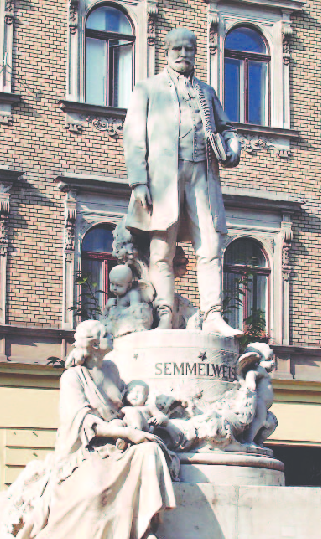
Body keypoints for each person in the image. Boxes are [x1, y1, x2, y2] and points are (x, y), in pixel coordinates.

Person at [0, 320, 175, 539]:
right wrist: (127, 432)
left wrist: (139, 419)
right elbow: (82, 422)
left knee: (150, 451)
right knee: (93, 491)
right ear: (94, 344)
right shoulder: (72, 377)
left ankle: (147, 531)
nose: (112, 336)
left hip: (120, 444)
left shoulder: (113, 370)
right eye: (106, 334)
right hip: (87, 450)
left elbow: (127, 402)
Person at [123, 27, 242, 337]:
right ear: (166, 52)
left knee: (211, 246)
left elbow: (226, 127)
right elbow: (134, 136)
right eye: (176, 49)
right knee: (162, 250)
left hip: (202, 174)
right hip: (163, 179)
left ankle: (213, 314)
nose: (183, 54)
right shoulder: (147, 89)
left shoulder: (207, 92)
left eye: (189, 49)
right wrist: (139, 182)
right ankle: (164, 313)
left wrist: (232, 146)